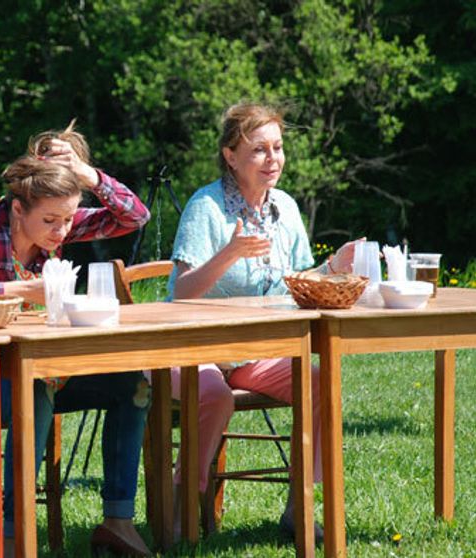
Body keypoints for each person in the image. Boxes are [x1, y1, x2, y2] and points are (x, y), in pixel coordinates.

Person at [0, 123, 154, 557]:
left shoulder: (57, 225)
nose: (62, 232)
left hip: (38, 375)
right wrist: (18, 292)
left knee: (133, 385)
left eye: (69, 219)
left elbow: (134, 216)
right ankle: (13, 535)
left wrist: (89, 176)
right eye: (51, 221)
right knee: (35, 394)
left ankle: (118, 521)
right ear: (17, 209)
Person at [165, 102, 357, 542]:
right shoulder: (207, 206)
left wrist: (330, 269)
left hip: (255, 351)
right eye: (259, 150)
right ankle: (180, 508)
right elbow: (181, 291)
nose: (273, 159)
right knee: (214, 396)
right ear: (231, 156)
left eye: (278, 147)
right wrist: (229, 253)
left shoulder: (285, 208)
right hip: (195, 348)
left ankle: (298, 509)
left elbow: (296, 282)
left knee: (320, 383)